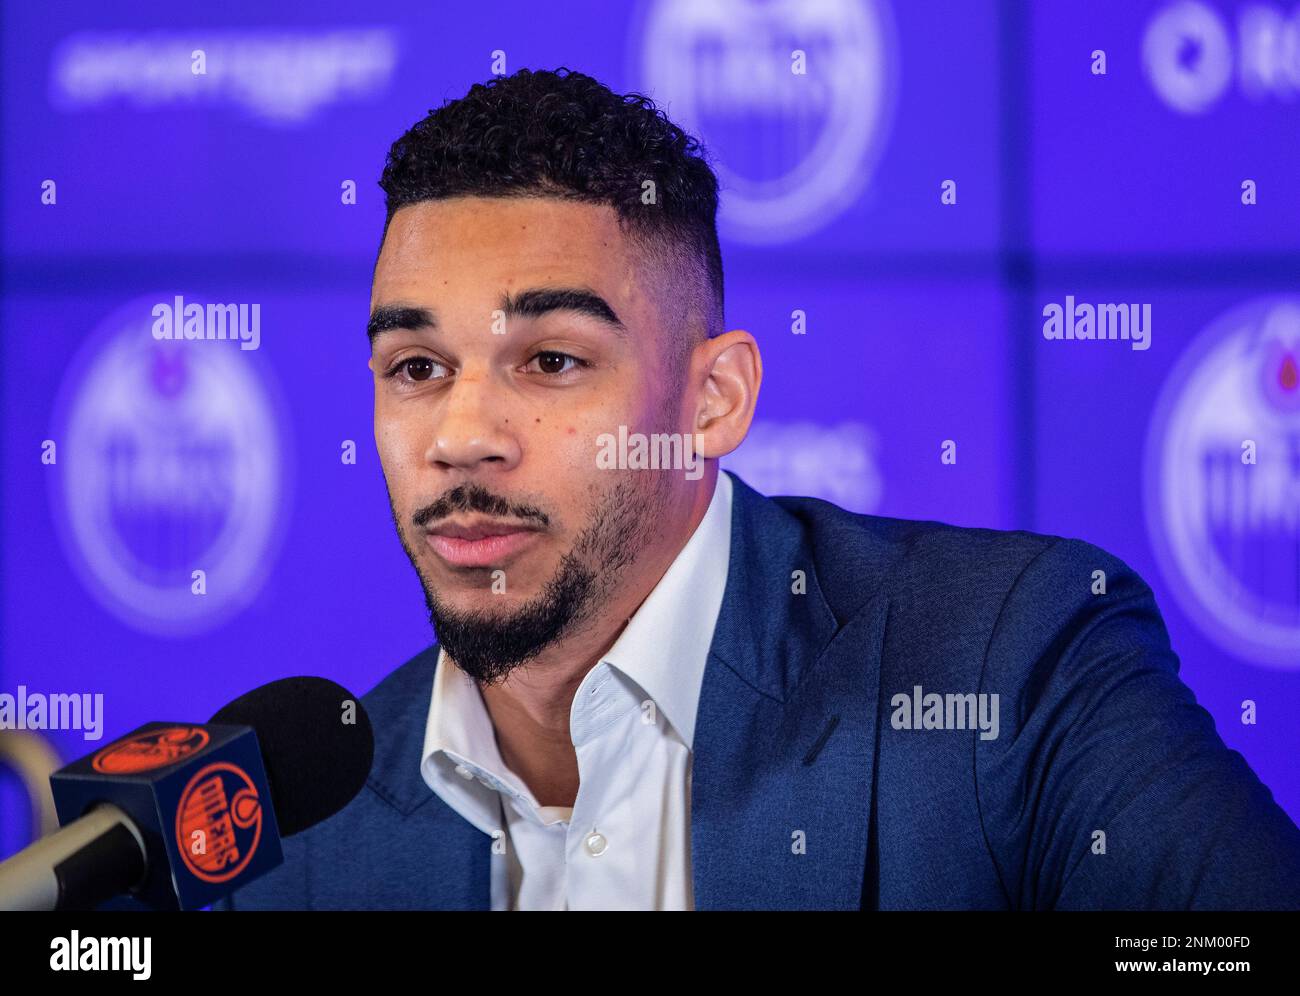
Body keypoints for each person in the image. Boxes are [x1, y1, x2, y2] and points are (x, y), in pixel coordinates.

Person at [219, 68, 1300, 910]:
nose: (460, 437)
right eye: (417, 369)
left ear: (713, 399)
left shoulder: (1009, 661)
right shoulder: (308, 823)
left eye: (550, 360)